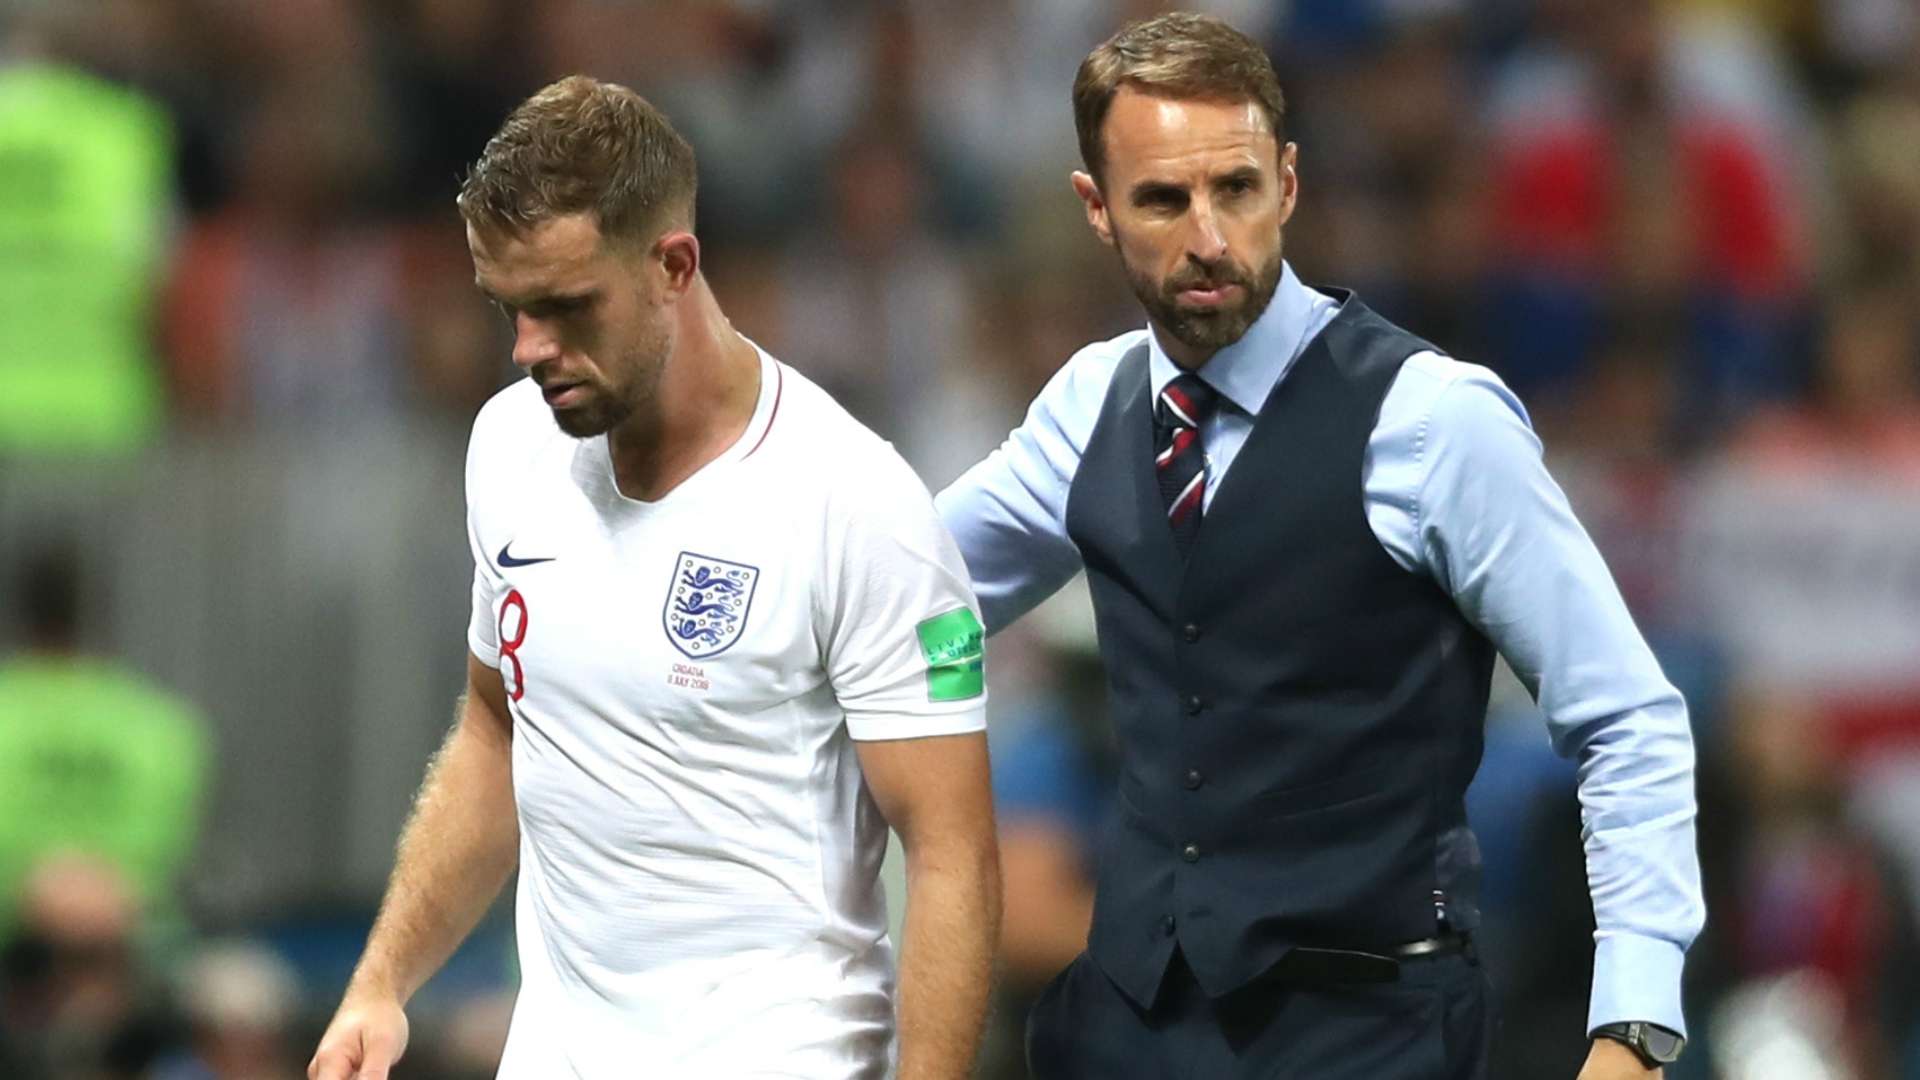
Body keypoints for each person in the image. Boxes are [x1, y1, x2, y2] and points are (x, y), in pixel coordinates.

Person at [936, 13, 1704, 1080]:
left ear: (1287, 185)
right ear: (1096, 210)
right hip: (1125, 1031)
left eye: (1236, 189)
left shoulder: (1436, 422)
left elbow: (1627, 716)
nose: (1209, 235)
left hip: (1371, 1031)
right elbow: (896, 592)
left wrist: (1633, 1025)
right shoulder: (1087, 404)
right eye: (1164, 198)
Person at [308, 76, 1000, 1080]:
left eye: (566, 307)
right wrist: (382, 983)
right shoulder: (510, 446)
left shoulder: (854, 502)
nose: (529, 350)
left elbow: (952, 854)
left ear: (674, 264)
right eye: (510, 308)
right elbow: (497, 728)